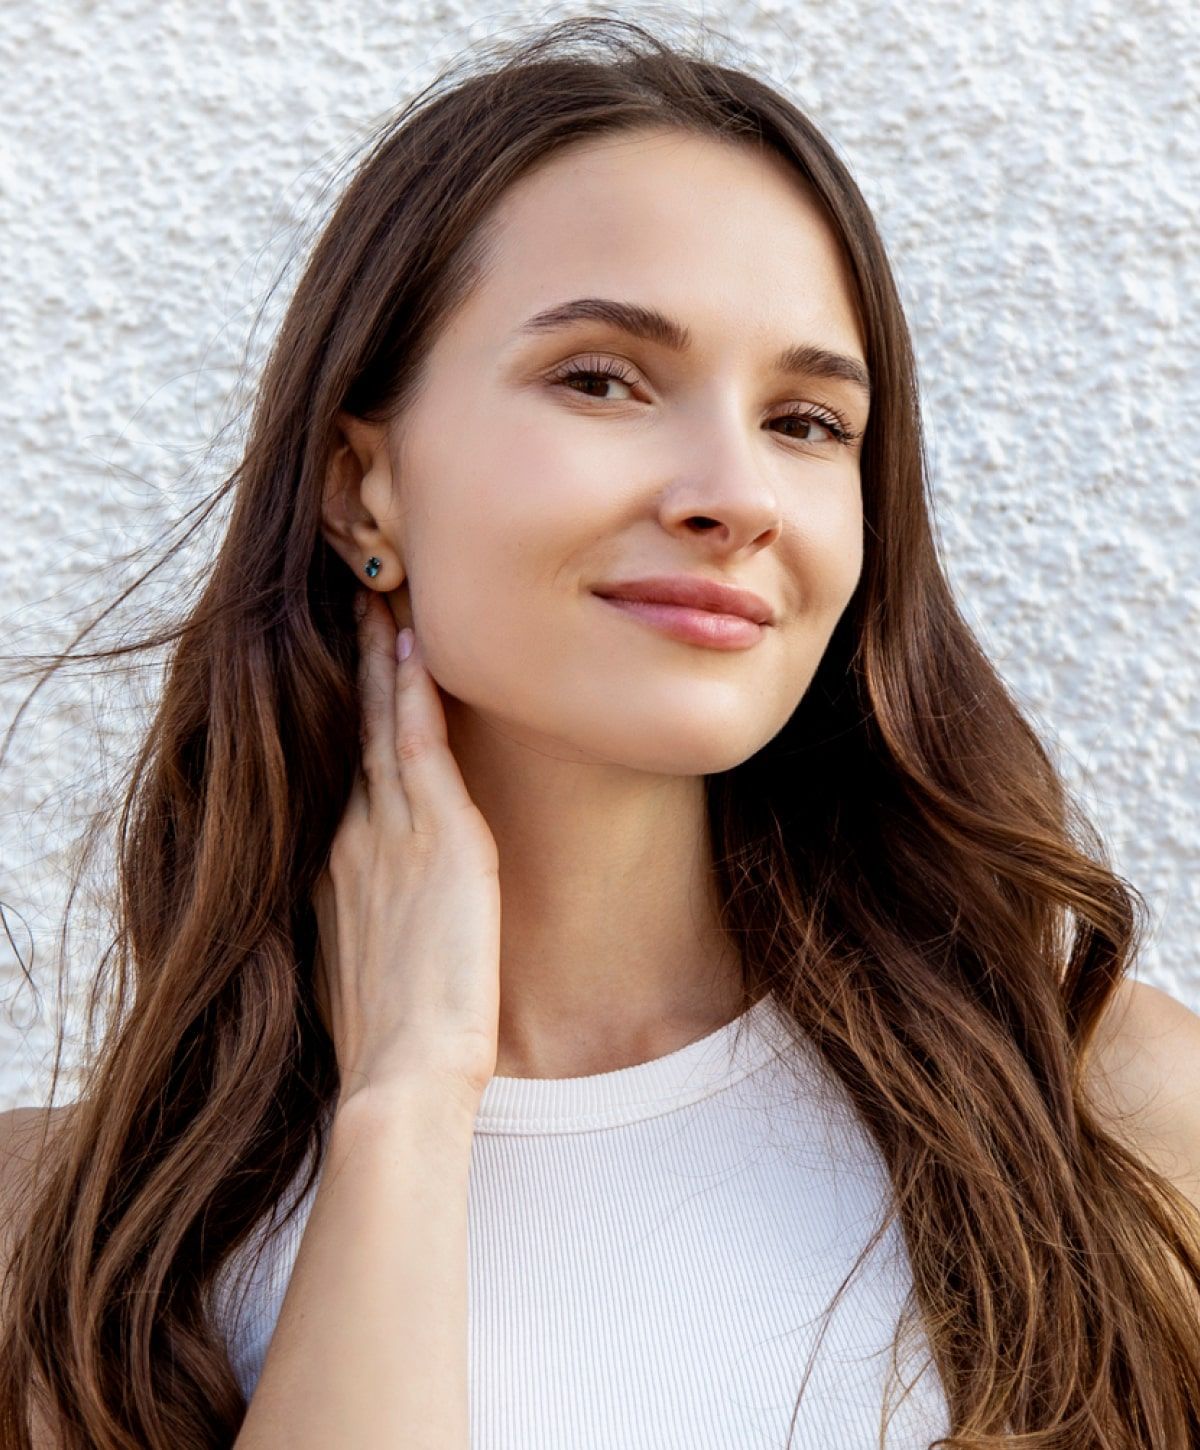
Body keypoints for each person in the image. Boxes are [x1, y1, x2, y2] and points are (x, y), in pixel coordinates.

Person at [2, 15, 1199, 1449]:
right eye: (602, 378)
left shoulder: (1105, 1115)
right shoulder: (74, 1241)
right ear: (359, 489)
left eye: (809, 420)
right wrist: (404, 1100)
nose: (734, 490)